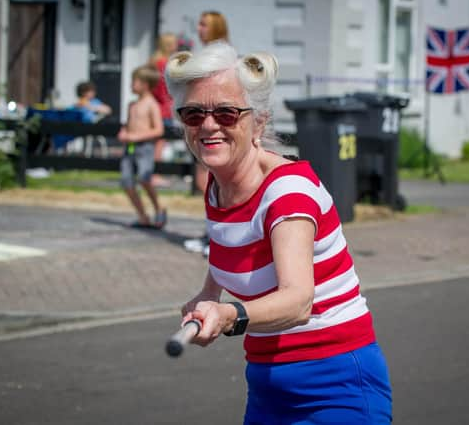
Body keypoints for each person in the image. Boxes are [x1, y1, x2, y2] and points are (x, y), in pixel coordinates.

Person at [165, 43, 392, 424]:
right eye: (193, 114)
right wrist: (207, 295)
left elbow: (297, 301)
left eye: (226, 112)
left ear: (259, 122)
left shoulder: (287, 192)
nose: (208, 125)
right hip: (268, 384)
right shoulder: (220, 185)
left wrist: (227, 315)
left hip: (337, 385)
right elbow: (230, 244)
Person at [183, 10, 230, 256]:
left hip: (211, 123)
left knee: (212, 183)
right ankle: (211, 236)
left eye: (204, 24)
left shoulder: (218, 55)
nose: (199, 28)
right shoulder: (207, 54)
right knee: (208, 183)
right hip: (200, 120)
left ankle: (217, 239)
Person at [117, 66, 167, 229]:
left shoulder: (152, 105)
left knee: (144, 179)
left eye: (134, 81)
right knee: (126, 181)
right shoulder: (132, 104)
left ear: (145, 84)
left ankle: (159, 209)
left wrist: (136, 136)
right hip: (129, 148)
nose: (131, 85)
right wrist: (124, 132)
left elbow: (158, 130)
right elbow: (128, 124)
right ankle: (142, 216)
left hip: (144, 148)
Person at [149, 33, 178, 188]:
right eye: (173, 43)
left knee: (151, 144)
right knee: (159, 144)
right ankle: (155, 174)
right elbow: (163, 89)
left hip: (152, 107)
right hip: (163, 109)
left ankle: (149, 173)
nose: (176, 45)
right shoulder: (164, 63)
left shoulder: (153, 61)